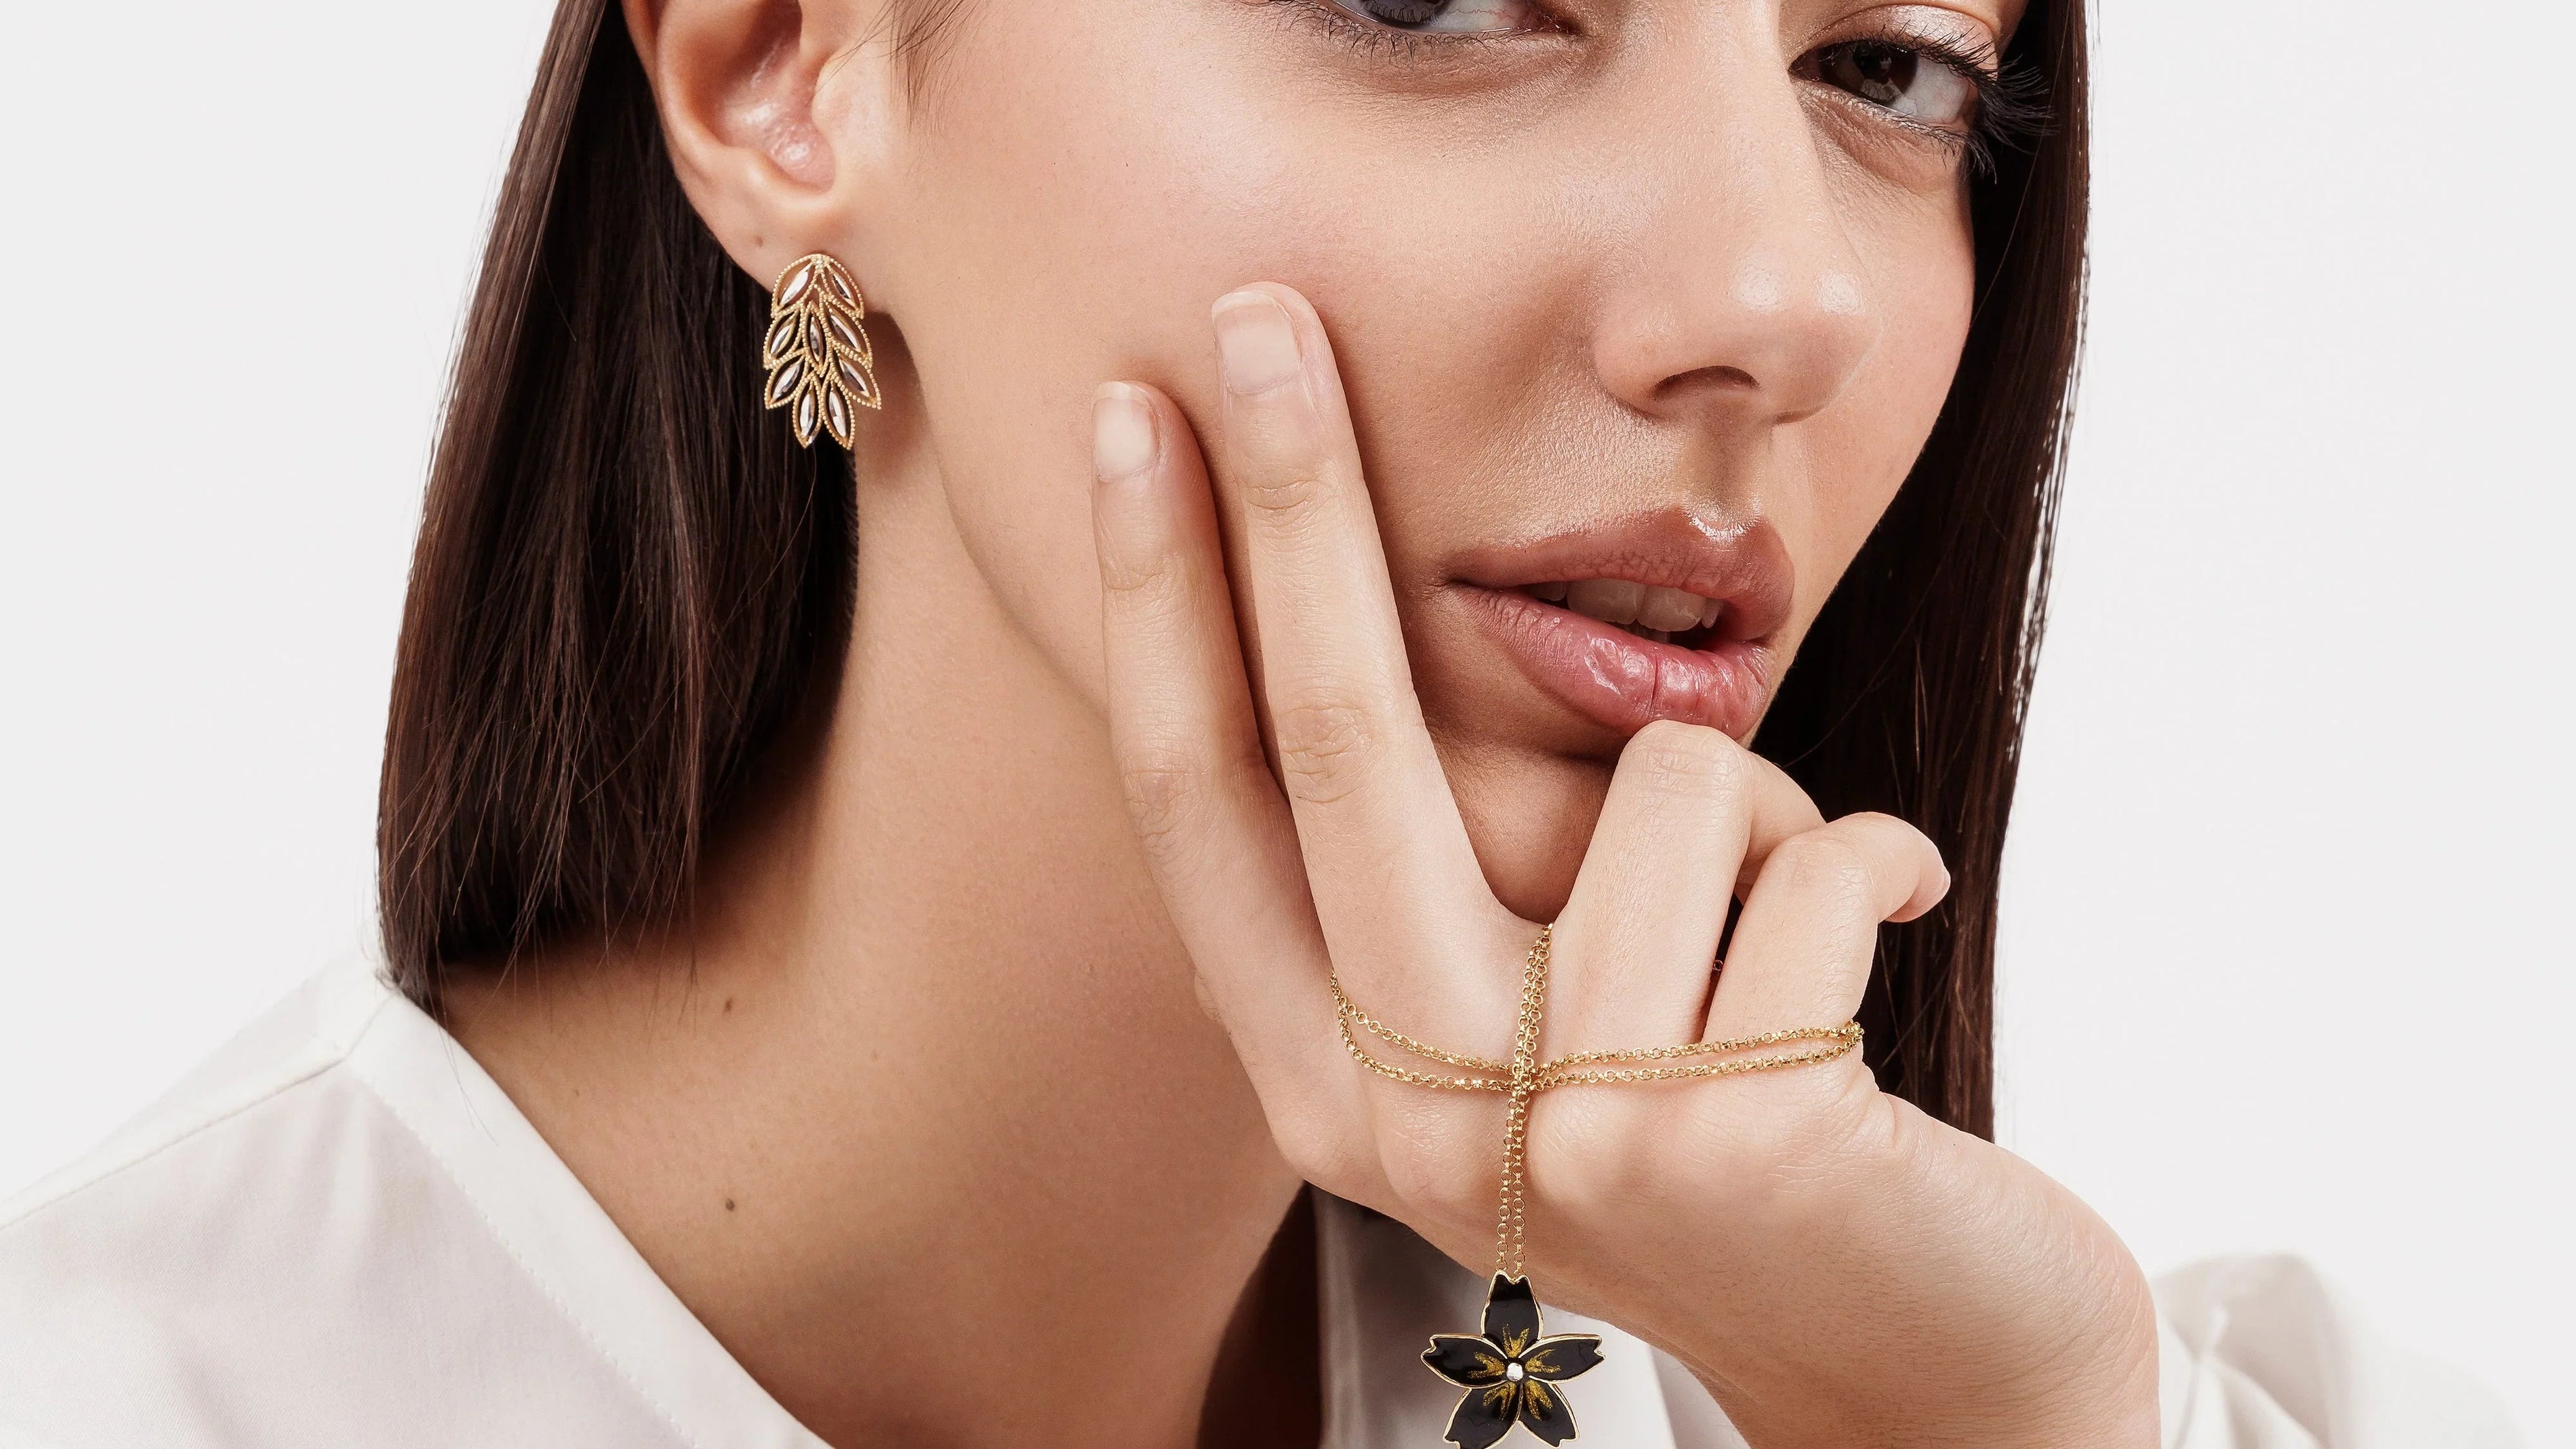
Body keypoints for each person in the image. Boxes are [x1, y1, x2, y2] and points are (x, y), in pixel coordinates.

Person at [0, 0, 2522, 1445]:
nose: (1785, 297)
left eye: (1888, 64)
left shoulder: (1907, 1374)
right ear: (782, 66)